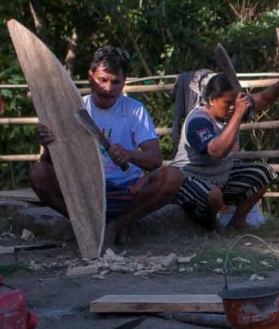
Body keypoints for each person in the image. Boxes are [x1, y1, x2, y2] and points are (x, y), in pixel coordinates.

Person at [30, 46, 183, 253]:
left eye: (116, 82)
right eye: (102, 79)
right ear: (90, 76)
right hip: (85, 193)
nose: (108, 88)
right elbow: (50, 164)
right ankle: (84, 225)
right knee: (39, 173)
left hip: (127, 192)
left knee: (172, 176)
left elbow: (155, 159)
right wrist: (48, 144)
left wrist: (128, 154)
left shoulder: (133, 109)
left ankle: (114, 227)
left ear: (124, 82)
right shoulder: (75, 109)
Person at [172, 67, 279, 231]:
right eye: (227, 104)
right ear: (212, 100)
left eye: (234, 104)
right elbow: (217, 151)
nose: (231, 108)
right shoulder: (198, 121)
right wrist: (238, 114)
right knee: (213, 195)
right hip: (189, 178)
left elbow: (264, 99)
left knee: (263, 173)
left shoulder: (233, 109)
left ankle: (237, 223)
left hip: (221, 177)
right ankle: (210, 226)